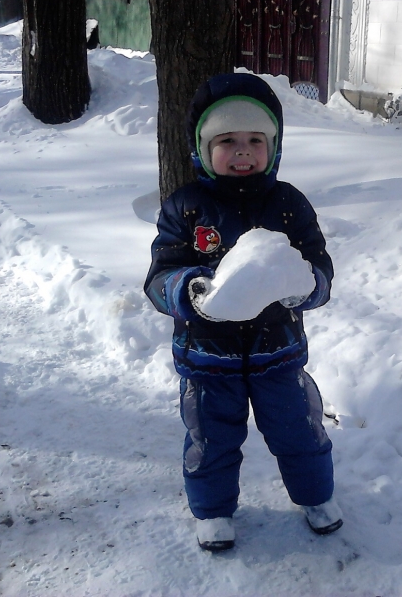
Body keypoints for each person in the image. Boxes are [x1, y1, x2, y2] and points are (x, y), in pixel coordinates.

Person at [144, 73, 341, 552]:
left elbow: (320, 269)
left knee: (299, 429)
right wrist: (189, 290)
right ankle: (212, 510)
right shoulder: (186, 207)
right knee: (210, 437)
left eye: (256, 140)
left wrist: (304, 286)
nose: (243, 151)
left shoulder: (289, 203)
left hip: (279, 352)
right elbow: (158, 277)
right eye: (227, 141)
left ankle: (315, 496)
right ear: (202, 147)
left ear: (273, 147)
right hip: (208, 359)